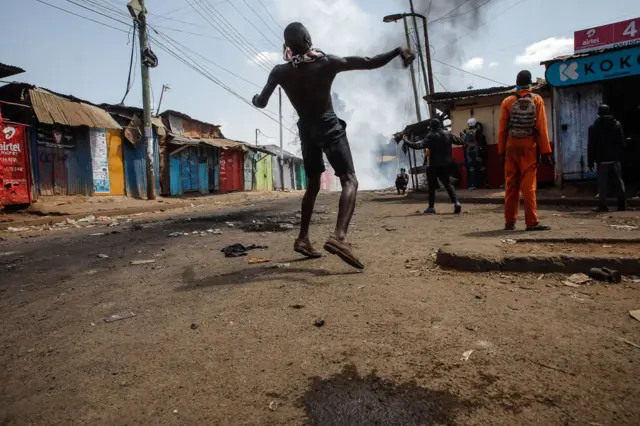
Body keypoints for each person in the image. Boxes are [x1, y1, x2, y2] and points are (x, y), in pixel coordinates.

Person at [252, 22, 414, 269]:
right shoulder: (326, 62)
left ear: (287, 47)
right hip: (327, 125)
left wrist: (255, 99)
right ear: (308, 38)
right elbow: (369, 62)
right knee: (350, 180)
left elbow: (261, 102)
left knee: (313, 185)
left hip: (306, 130)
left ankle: (303, 239)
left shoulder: (280, 71)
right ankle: (339, 237)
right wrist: (396, 51)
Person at [498, 70, 553, 231]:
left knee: (511, 185)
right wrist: (545, 151)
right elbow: (541, 127)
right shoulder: (537, 100)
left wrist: (501, 152)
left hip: (511, 146)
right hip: (529, 146)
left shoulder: (507, 101)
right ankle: (531, 222)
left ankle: (509, 222)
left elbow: (502, 130)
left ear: (516, 83)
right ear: (530, 84)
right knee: (529, 186)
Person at [403, 118, 462, 214]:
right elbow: (460, 141)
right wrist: (462, 135)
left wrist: (406, 142)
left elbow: (417, 146)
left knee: (431, 187)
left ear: (431, 127)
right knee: (448, 184)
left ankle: (431, 207)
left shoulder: (430, 136)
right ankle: (456, 203)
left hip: (433, 165)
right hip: (446, 164)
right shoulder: (448, 134)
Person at [588, 104, 627, 212]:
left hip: (602, 160)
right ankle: (622, 205)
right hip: (615, 159)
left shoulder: (594, 127)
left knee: (602, 185)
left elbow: (591, 146)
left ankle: (603, 206)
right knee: (619, 183)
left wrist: (590, 161)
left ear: (599, 113)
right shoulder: (616, 124)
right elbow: (622, 142)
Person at [460, 118, 488, 189]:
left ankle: (473, 185)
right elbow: (482, 142)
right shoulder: (478, 131)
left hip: (468, 151)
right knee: (482, 167)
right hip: (477, 151)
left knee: (471, 168)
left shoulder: (465, 131)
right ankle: (485, 184)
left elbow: (463, 142)